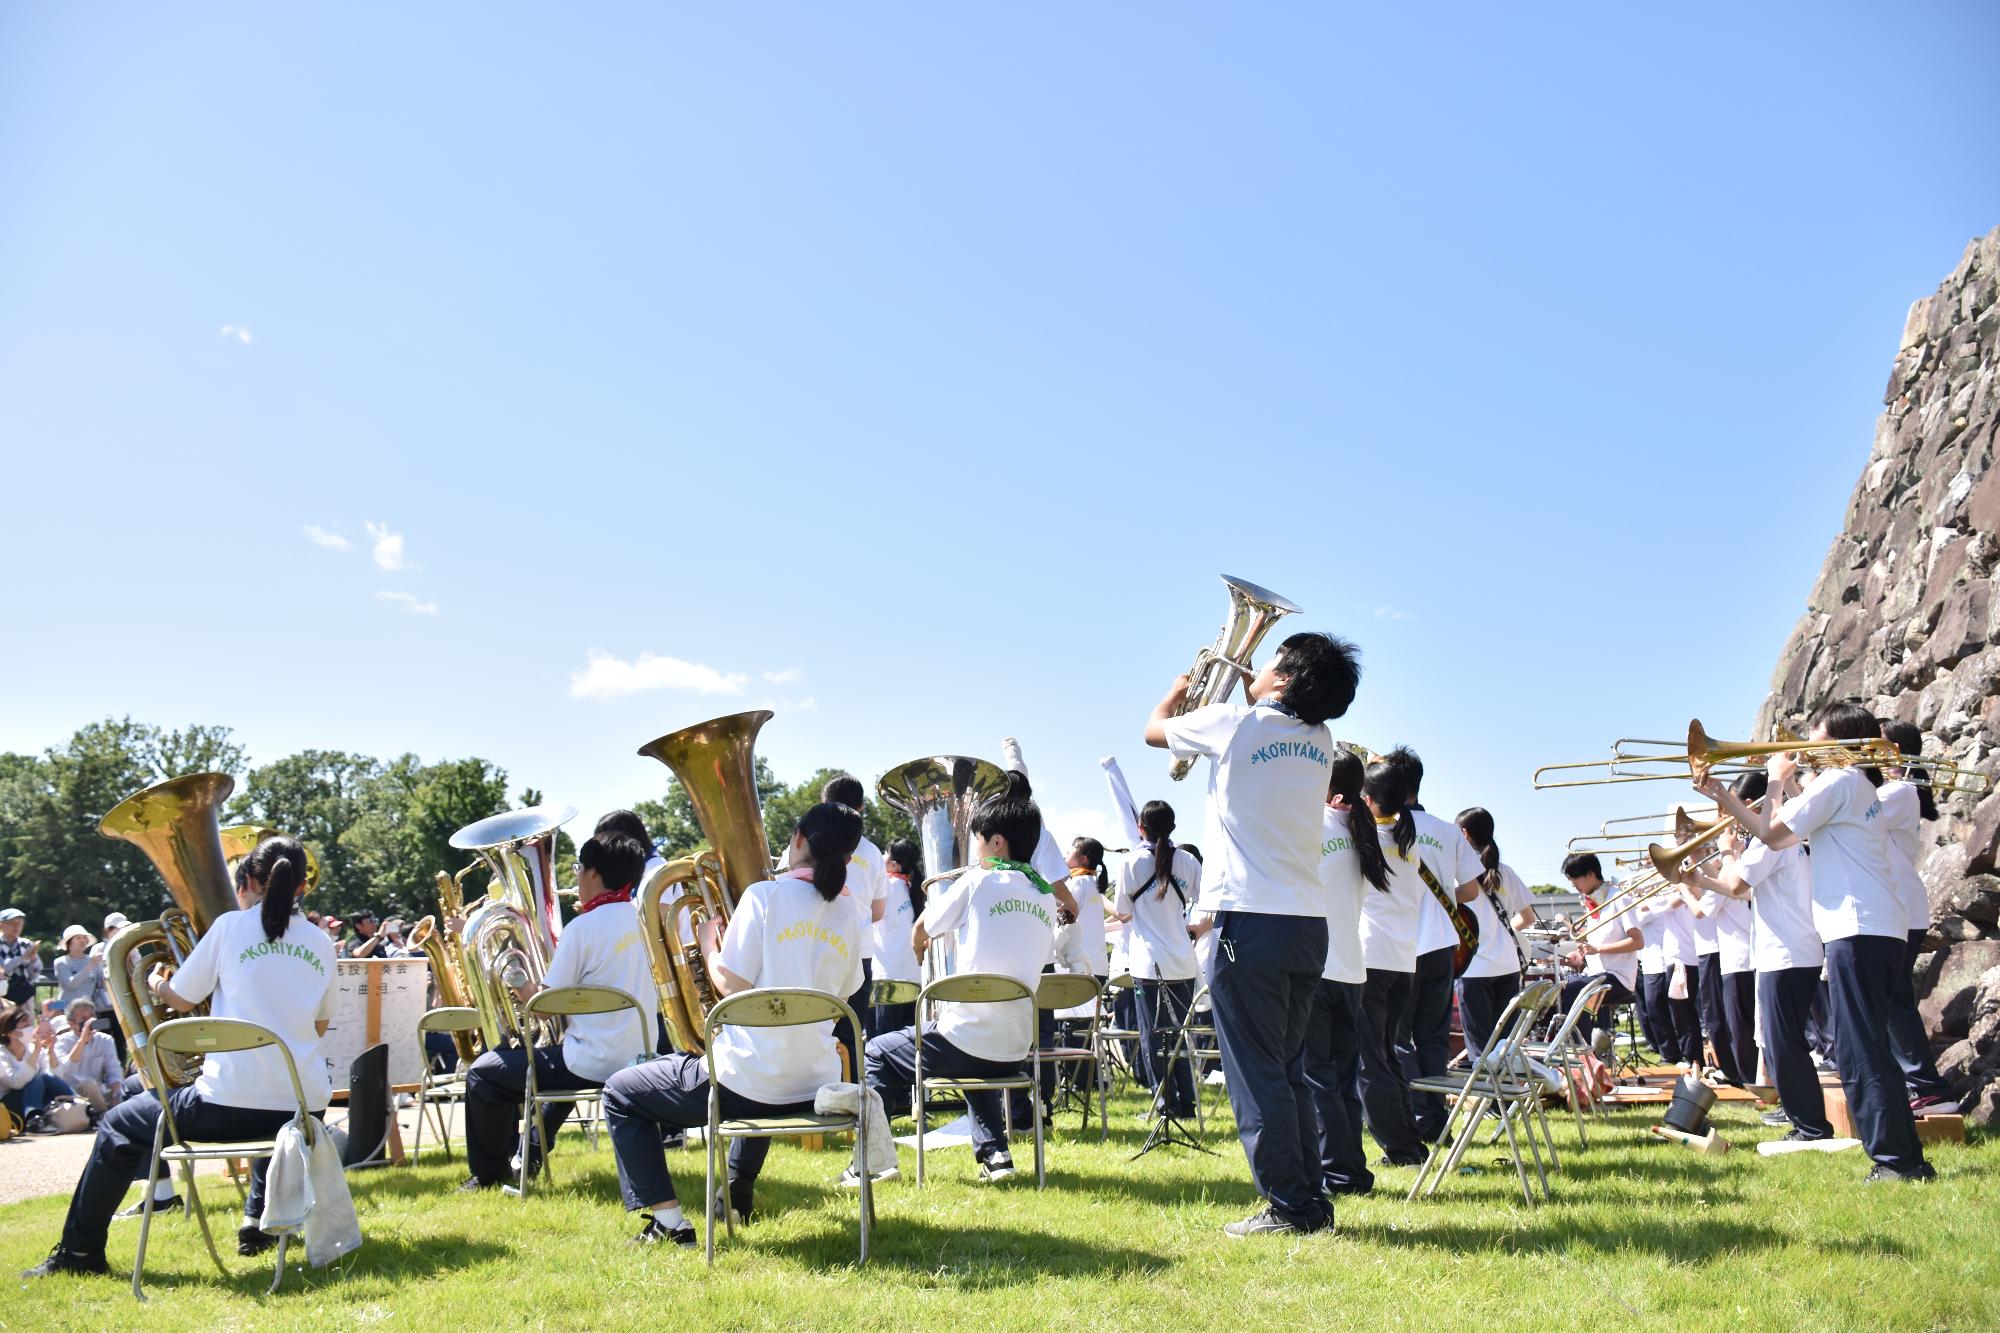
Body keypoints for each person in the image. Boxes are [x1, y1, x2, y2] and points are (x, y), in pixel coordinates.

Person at [24, 836, 336, 1278]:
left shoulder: (229, 927)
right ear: (302, 886)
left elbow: (182, 1000)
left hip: (230, 1107)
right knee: (152, 1101)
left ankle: (78, 1256)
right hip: (305, 1107)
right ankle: (255, 1220)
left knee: (117, 1124)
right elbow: (319, 1026)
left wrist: (153, 981)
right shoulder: (322, 942)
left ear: (247, 880)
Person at [1146, 630, 1361, 1238]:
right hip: (1306, 925)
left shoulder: (1233, 725)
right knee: (1288, 1069)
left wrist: (1177, 693)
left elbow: (1153, 731)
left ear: (1287, 680)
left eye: (1268, 663)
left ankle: (1291, 1206)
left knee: (1256, 1072)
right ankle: (1308, 1198)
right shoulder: (1322, 739)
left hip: (1250, 920)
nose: (1256, 668)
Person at [602, 802, 866, 1246]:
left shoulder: (764, 896)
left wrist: (709, 946)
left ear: (798, 839)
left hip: (749, 1086)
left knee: (621, 1092)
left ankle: (668, 1224)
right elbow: (843, 993)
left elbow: (730, 985)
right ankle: (737, 1195)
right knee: (760, 1061)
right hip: (814, 1082)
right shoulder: (848, 912)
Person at [1700, 702, 1934, 1182]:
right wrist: (1745, 790)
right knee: (1869, 1046)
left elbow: (1770, 833)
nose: (1806, 744)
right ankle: (1906, 1158)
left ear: (1840, 741)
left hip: (1857, 929)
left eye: (1816, 735)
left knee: (1859, 1050)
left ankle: (1895, 1162)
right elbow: (1787, 824)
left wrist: (1758, 782)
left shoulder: (1840, 781)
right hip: (1877, 926)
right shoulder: (1855, 785)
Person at [865, 785, 1056, 1184]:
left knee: (877, 1052)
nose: (976, 853)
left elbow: (923, 927)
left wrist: (919, 949)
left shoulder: (977, 881)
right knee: (969, 1039)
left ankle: (872, 1160)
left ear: (997, 843)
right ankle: (996, 1154)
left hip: (971, 1042)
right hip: (1016, 1048)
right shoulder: (1044, 896)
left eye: (979, 843)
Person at [460, 830, 658, 1191]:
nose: (576, 876)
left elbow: (543, 1010)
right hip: (642, 1055)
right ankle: (526, 1155)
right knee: (532, 1060)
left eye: (579, 868)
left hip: (592, 1062)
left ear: (594, 873)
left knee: (485, 1072)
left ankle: (491, 1174)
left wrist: (511, 971)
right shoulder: (646, 919)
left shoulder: (583, 928)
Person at [1674, 774, 1833, 1141]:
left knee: (1785, 1044)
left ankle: (1811, 1126)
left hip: (1785, 953)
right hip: (1790, 951)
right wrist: (1700, 880)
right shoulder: (1782, 839)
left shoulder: (1769, 841)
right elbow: (1744, 893)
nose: (1729, 818)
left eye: (1734, 807)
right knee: (1783, 1042)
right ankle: (1804, 1121)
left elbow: (1736, 885)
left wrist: (1728, 852)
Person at [1305, 750, 1408, 1198]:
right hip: (1351, 968)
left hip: (1321, 968)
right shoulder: (1358, 832)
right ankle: (1352, 1171)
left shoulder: (1316, 827)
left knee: (1319, 1080)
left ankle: (1339, 1173)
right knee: (1343, 1080)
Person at [1381, 748, 1485, 1142]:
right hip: (1443, 942)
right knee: (1433, 1035)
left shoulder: (1383, 826)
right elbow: (1472, 892)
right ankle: (1435, 1118)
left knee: (1396, 1038)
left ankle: (1415, 1116)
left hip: (1399, 945)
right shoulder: (1446, 829)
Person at [1875, 719, 1953, 1111]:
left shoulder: (1901, 791)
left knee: (1893, 1002)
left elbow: (1855, 812)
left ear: (1898, 751)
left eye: (1879, 745)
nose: (1869, 751)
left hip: (1902, 908)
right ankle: (1918, 1083)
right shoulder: (1892, 790)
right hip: (1898, 907)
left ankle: (1926, 1085)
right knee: (1891, 1000)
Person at [1354, 761, 1426, 1165]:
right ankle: (1409, 1143)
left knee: (1371, 1061)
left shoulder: (1369, 839)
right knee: (1390, 1054)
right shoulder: (1407, 838)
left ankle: (1400, 1149)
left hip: (1372, 958)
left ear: (1370, 801)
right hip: (1402, 960)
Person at [1114, 801, 1204, 1122]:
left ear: (1141, 827)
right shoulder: (1189, 861)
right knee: (1179, 1034)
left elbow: (1124, 911)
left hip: (1147, 962)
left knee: (1152, 1036)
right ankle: (1189, 1105)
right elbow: (1204, 901)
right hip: (1182, 960)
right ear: (1173, 828)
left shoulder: (1132, 862)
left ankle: (1165, 1103)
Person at [1452, 809, 1537, 1059]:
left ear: (1464, 835)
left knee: (1480, 1047)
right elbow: (1527, 917)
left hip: (1475, 966)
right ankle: (1508, 1094)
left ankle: (1486, 1096)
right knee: (1505, 1046)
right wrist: (1502, 932)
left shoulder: (1459, 874)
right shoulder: (1506, 871)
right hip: (1508, 963)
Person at [821, 775, 887, 1064]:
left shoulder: (805, 843)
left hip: (814, 948)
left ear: (822, 805)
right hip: (859, 954)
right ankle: (850, 1099)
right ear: (861, 807)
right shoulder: (873, 853)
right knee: (851, 1036)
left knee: (813, 1030)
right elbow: (880, 912)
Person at [1558, 853, 1640, 1040]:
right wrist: (1583, 955)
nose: (1572, 885)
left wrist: (1598, 949)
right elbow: (1598, 943)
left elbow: (1637, 941)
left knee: (1575, 989)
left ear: (1590, 875)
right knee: (1560, 989)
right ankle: (1568, 1049)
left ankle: (1583, 1054)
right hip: (1597, 974)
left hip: (1619, 977)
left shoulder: (1619, 898)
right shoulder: (1593, 902)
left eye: (1574, 879)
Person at [869, 839, 925, 1039]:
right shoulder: (913, 888)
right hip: (914, 981)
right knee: (906, 1044)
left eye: (885, 852)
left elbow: (866, 916)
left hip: (888, 981)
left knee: (881, 1045)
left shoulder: (887, 887)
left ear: (894, 863)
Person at [1, 1000, 75, 1125]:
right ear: (11, 1032)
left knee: (46, 1077)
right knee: (36, 1079)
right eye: (25, 1025)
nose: (31, 1029)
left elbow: (56, 1078)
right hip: (8, 1107)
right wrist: (36, 1052)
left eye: (30, 1024)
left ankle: (80, 1105)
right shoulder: (2, 1054)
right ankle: (33, 1119)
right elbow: (15, 1083)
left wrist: (51, 1051)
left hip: (35, 1099)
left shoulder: (32, 1049)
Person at [53, 998, 124, 1112]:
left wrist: (115, 1094)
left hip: (99, 1093)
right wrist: (82, 1041)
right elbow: (64, 1069)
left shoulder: (105, 1040)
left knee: (123, 1090)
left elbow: (114, 1070)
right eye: (84, 1019)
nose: (89, 1023)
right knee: (88, 1084)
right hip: (71, 1094)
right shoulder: (61, 1041)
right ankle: (105, 1114)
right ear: (72, 1024)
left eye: (91, 1018)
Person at [52, 925, 105, 1014]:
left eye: (85, 937)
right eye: (78, 938)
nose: (83, 940)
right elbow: (71, 985)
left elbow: (101, 983)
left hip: (89, 1012)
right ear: (69, 942)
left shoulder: (93, 961)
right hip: (67, 1011)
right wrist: (90, 966)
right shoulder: (60, 962)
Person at [1, 908, 41, 1007]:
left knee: (26, 1021)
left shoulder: (26, 944)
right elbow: (3, 969)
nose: (16, 927)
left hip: (23, 995)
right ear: (1, 924)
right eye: (12, 923)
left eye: (20, 923)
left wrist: (33, 960)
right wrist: (22, 958)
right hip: (2, 994)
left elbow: (36, 971)